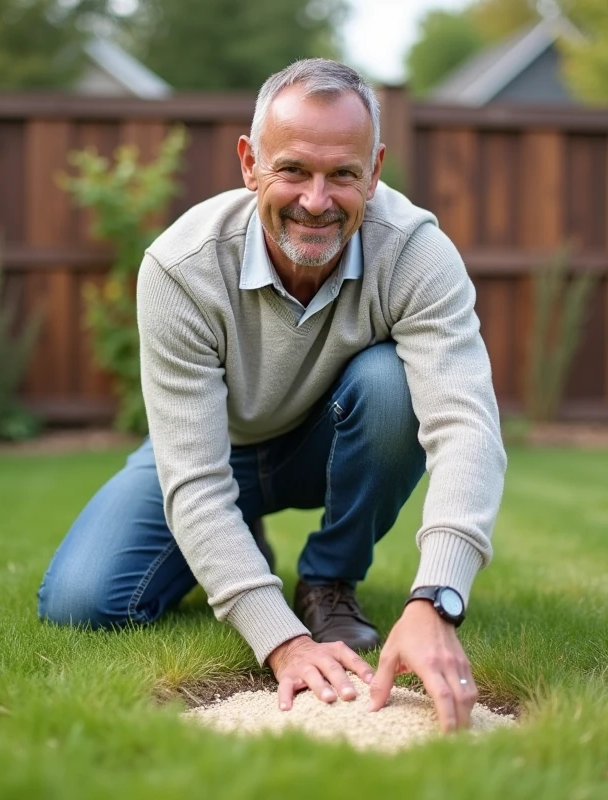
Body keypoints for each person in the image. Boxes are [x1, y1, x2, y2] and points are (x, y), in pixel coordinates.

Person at [37, 58, 507, 733]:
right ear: (249, 163)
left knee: (392, 383)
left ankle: (329, 582)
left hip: (330, 436)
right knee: (81, 604)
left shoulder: (416, 255)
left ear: (374, 171)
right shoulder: (181, 268)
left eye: (342, 174)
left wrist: (437, 599)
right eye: (293, 170)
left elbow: (466, 427)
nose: (316, 200)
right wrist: (280, 639)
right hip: (216, 450)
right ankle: (243, 547)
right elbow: (194, 478)